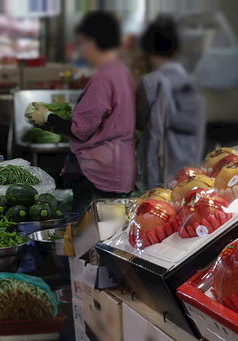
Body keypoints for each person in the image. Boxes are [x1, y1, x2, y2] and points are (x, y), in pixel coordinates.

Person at [27, 11, 136, 214]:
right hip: (120, 168)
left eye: (81, 43)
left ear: (92, 42)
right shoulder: (122, 72)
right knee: (110, 234)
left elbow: (81, 130)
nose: (81, 50)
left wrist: (47, 117)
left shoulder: (104, 78)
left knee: (87, 237)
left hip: (100, 173)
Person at [135, 16, 205, 191]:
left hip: (159, 170)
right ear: (177, 50)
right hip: (190, 163)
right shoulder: (193, 82)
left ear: (148, 51)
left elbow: (139, 119)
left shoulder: (150, 83)